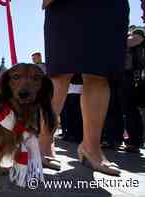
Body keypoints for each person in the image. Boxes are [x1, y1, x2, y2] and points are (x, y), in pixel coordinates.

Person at [41, 0, 129, 175]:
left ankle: (91, 147)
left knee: (99, 73)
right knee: (59, 71)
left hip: (109, 6)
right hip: (66, 6)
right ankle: (42, 140)